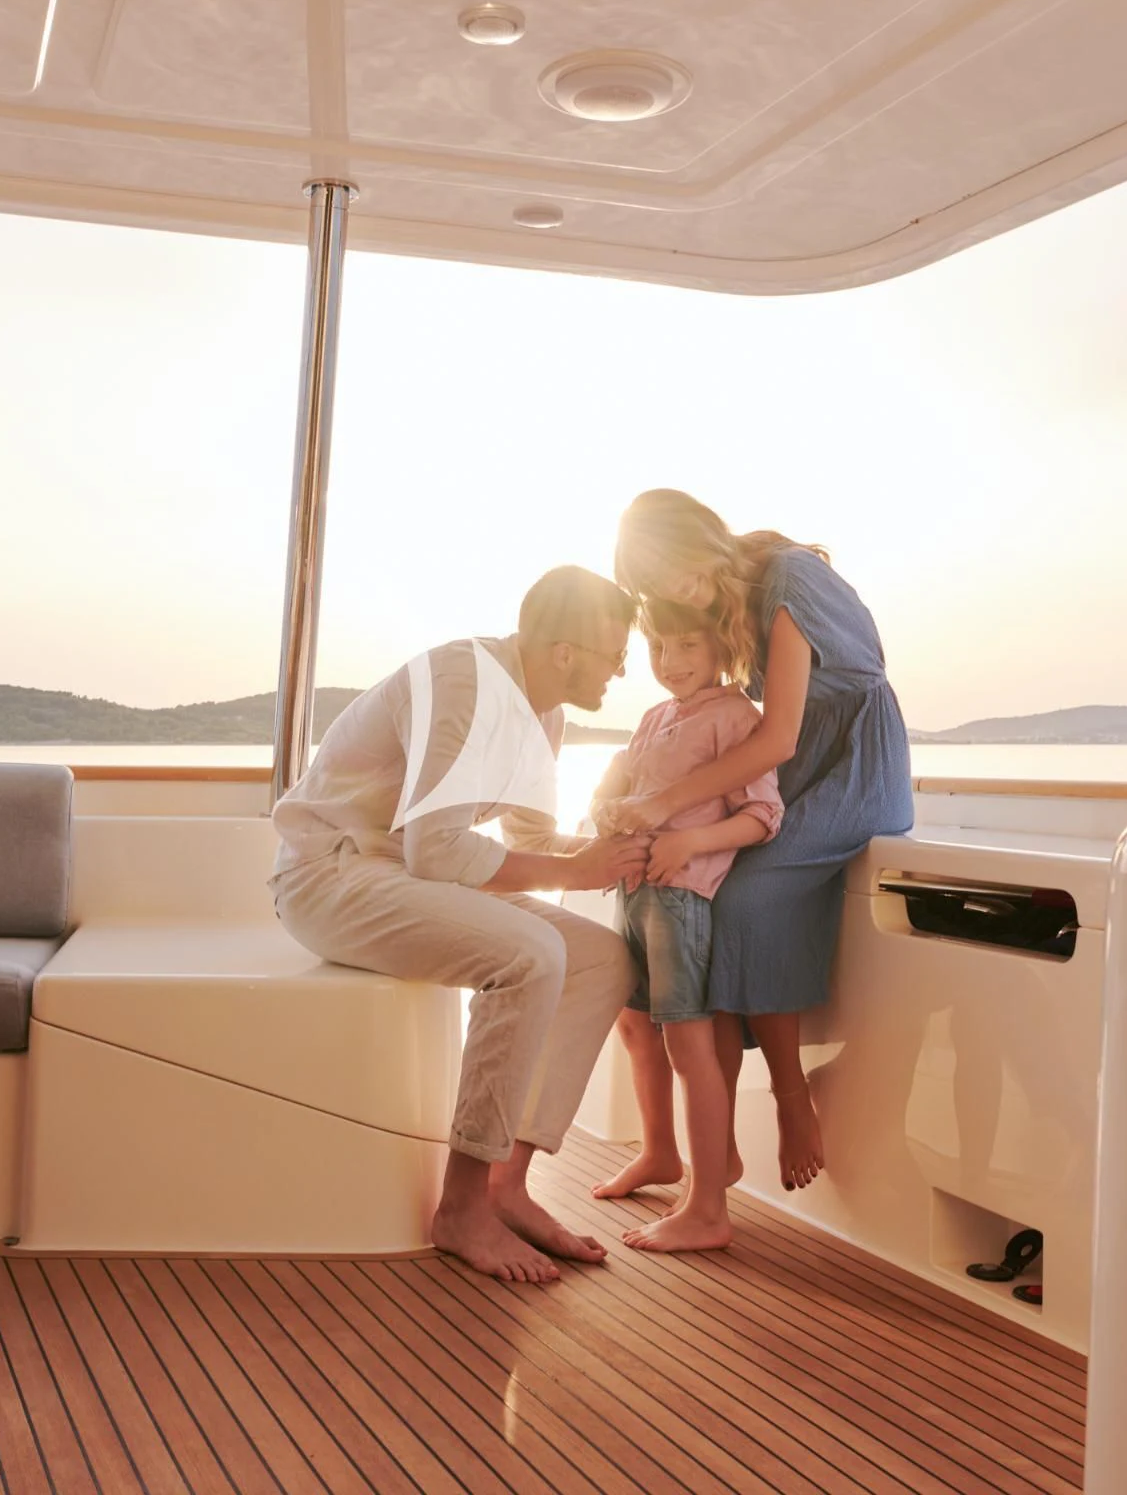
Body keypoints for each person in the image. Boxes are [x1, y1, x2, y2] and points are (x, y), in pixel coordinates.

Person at [270, 566, 652, 1283]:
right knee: (531, 954)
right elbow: (437, 847)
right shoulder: (466, 684)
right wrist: (579, 870)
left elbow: (530, 842)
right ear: (566, 651)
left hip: (407, 877)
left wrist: (621, 849)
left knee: (603, 960)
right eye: (615, 654)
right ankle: (462, 1207)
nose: (623, 671)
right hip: (331, 874)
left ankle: (508, 1185)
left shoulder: (544, 713)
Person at [605, 490, 914, 1191]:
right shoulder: (727, 597)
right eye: (655, 586)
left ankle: (790, 1098)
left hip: (855, 765)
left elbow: (775, 735)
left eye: (672, 569)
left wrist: (663, 801)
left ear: (700, 536)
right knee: (706, 904)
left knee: (740, 901)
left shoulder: (787, 581)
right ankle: (714, 1148)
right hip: (791, 768)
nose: (674, 589)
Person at [586, 597, 781, 1251]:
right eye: (659, 649)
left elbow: (761, 816)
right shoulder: (655, 717)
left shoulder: (736, 718)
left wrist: (688, 846)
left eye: (686, 647)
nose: (670, 663)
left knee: (687, 1045)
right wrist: (607, 810)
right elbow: (625, 789)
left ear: (722, 648)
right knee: (634, 1025)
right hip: (634, 891)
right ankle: (660, 1153)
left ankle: (707, 1207)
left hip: (680, 898)